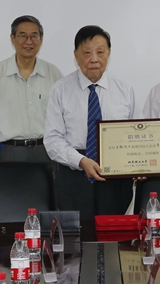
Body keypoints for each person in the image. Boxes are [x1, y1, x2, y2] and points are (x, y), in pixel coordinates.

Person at [44, 25, 135, 219]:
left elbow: (136, 133)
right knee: (78, 232)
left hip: (115, 175)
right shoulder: (60, 90)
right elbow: (52, 140)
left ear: (109, 53)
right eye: (87, 53)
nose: (94, 59)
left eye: (100, 52)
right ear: (76, 55)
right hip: (74, 172)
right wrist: (81, 160)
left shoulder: (124, 90)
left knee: (113, 231)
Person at [0, 15, 63, 162]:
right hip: (9, 152)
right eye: (23, 36)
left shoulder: (54, 74)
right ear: (12, 38)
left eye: (34, 36)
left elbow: (63, 117)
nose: (29, 41)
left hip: (46, 151)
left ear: (41, 39)